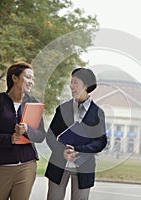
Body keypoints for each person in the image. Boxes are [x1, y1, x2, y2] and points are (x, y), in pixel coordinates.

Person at [0, 62, 46, 200]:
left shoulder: (34, 103)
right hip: (2, 165)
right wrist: (8, 139)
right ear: (14, 78)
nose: (31, 82)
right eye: (28, 77)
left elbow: (40, 135)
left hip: (27, 166)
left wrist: (28, 130)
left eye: (32, 79)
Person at [45, 67, 107, 200]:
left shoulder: (97, 113)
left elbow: (100, 142)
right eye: (71, 82)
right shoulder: (63, 108)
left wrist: (78, 150)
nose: (71, 86)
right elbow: (50, 136)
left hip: (84, 167)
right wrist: (63, 151)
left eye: (75, 82)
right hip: (59, 164)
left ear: (86, 86)